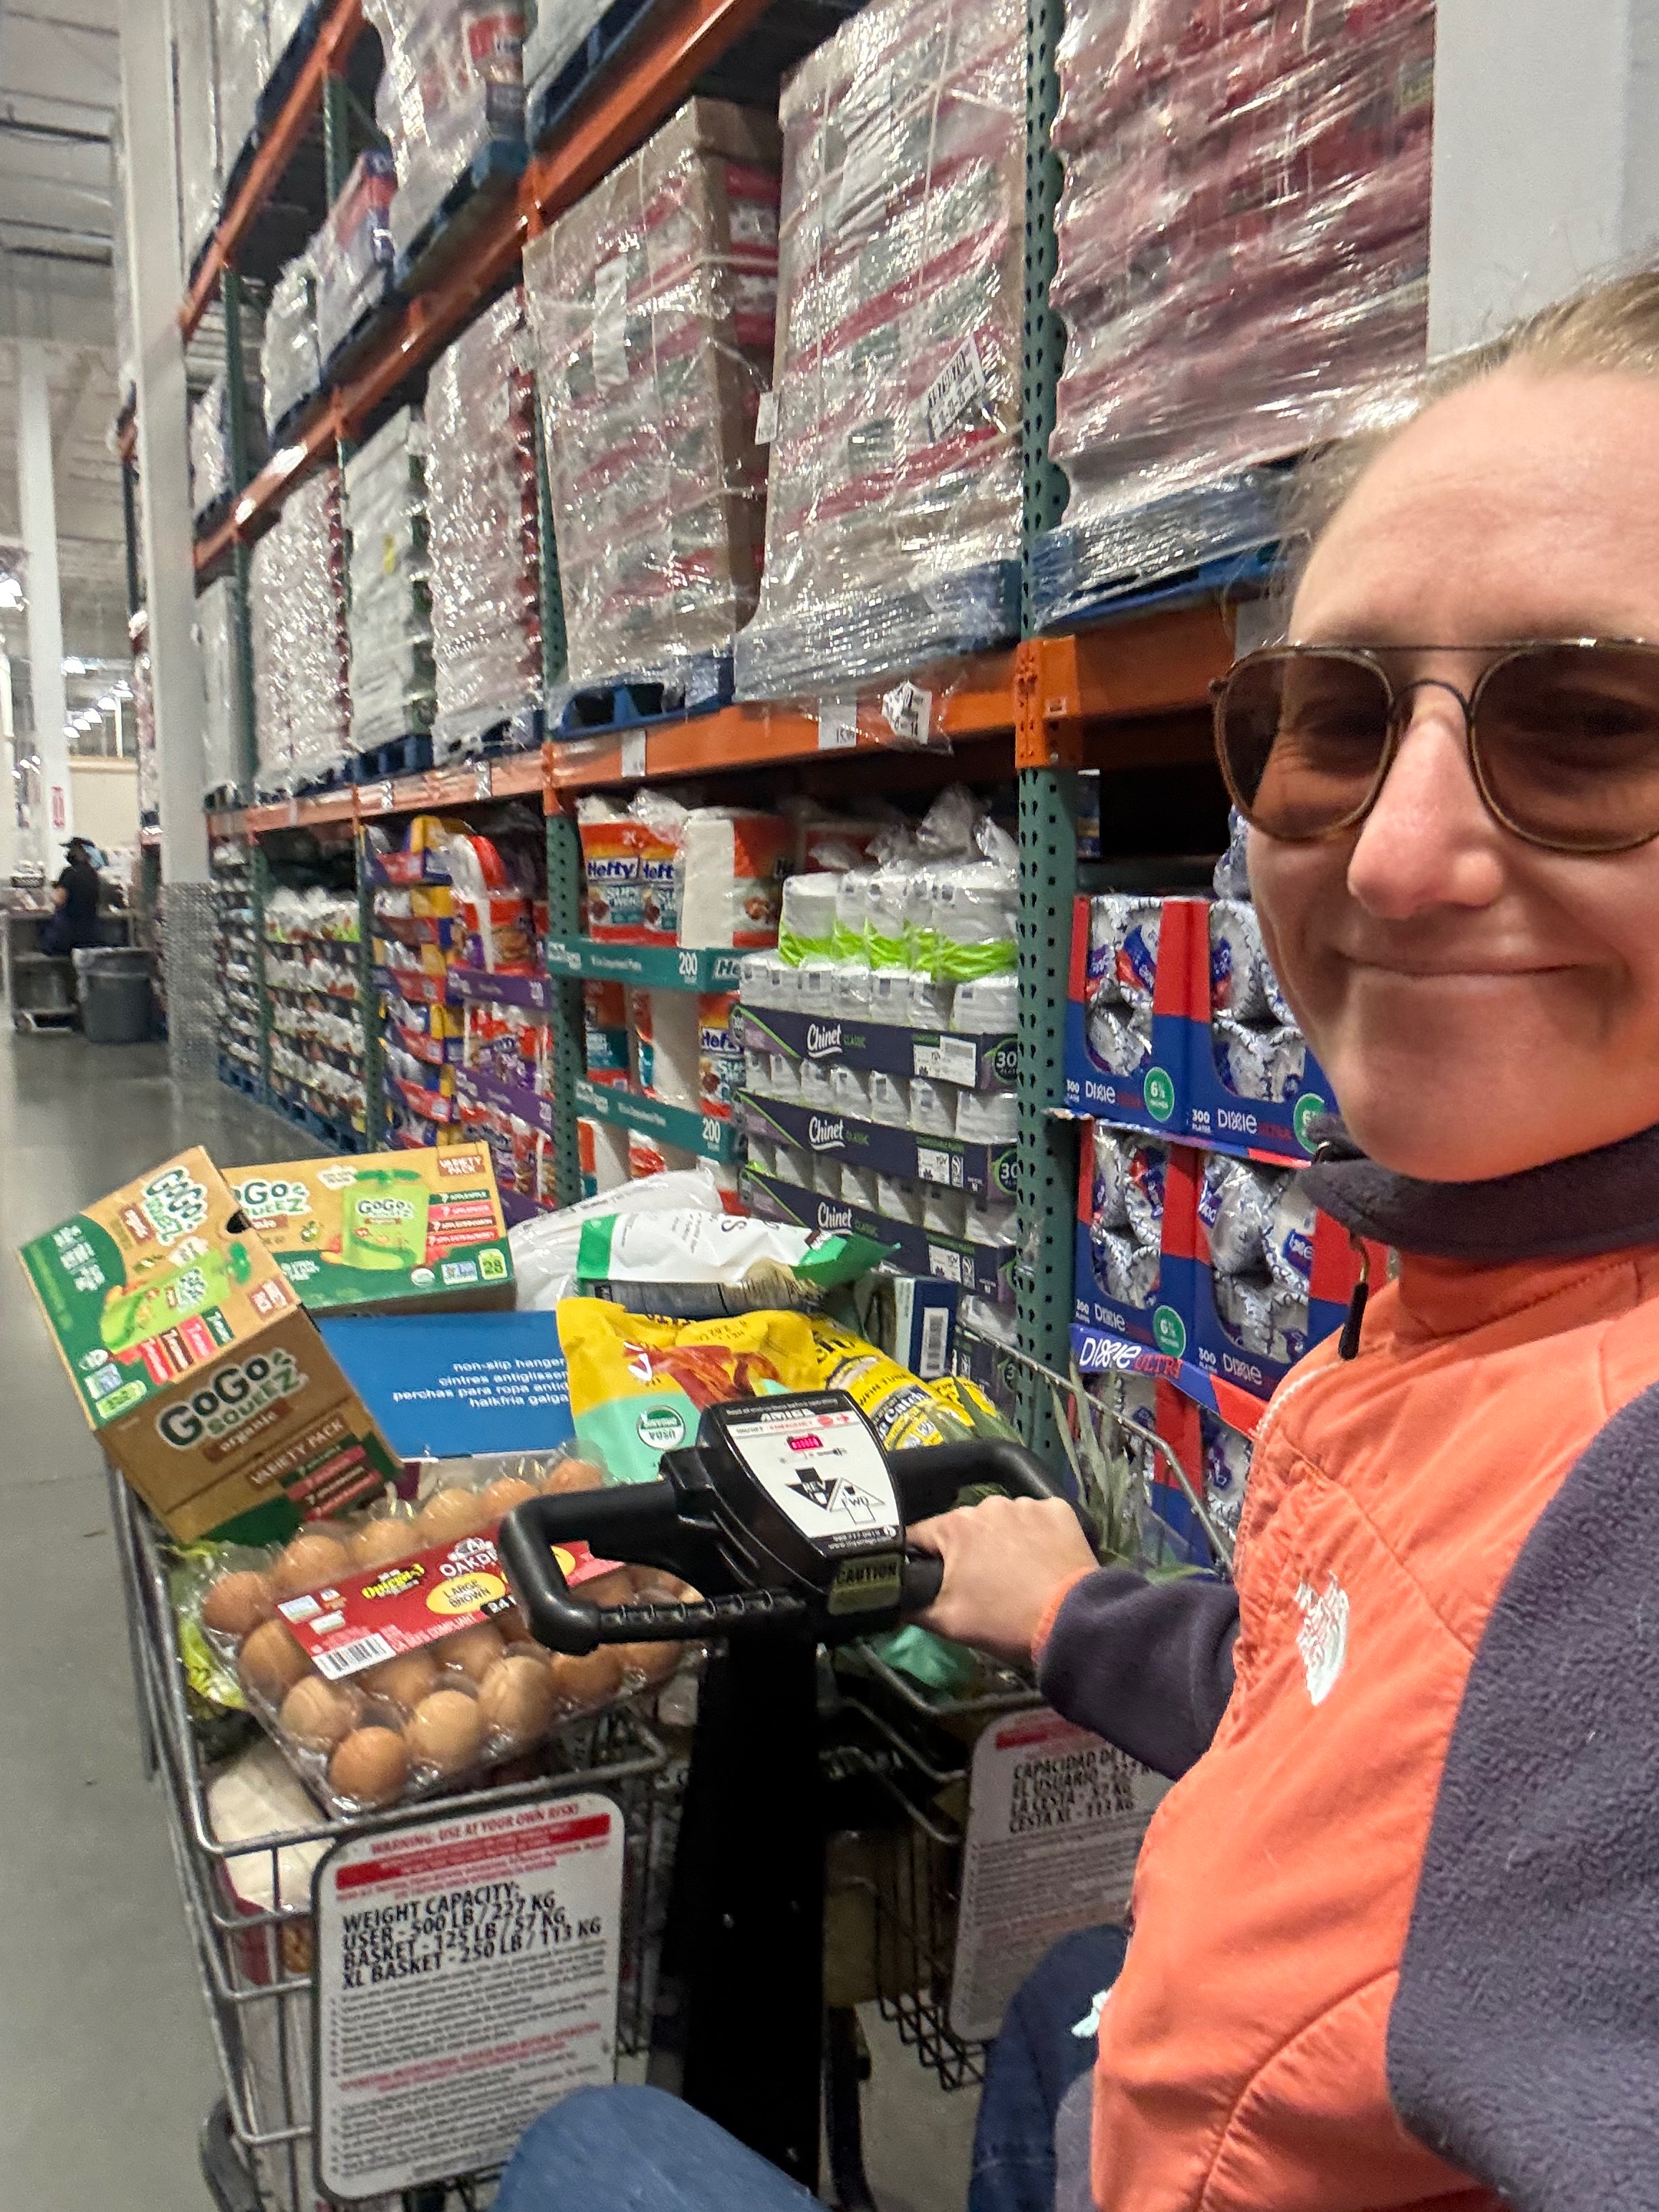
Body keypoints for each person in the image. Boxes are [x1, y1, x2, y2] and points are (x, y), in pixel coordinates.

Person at [498, 269, 1659, 2212]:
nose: (1390, 857)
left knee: (586, 2149)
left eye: (1596, 729)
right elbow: (1414, 1729)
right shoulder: (1483, 1290)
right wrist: (1073, 1617)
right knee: (1061, 2004)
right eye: (1331, 721)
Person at [39, 837, 102, 956]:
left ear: (81, 852)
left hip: (67, 937)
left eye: (72, 850)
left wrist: (48, 893)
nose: (69, 853)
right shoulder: (94, 875)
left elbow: (59, 900)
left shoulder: (69, 873)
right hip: (89, 937)